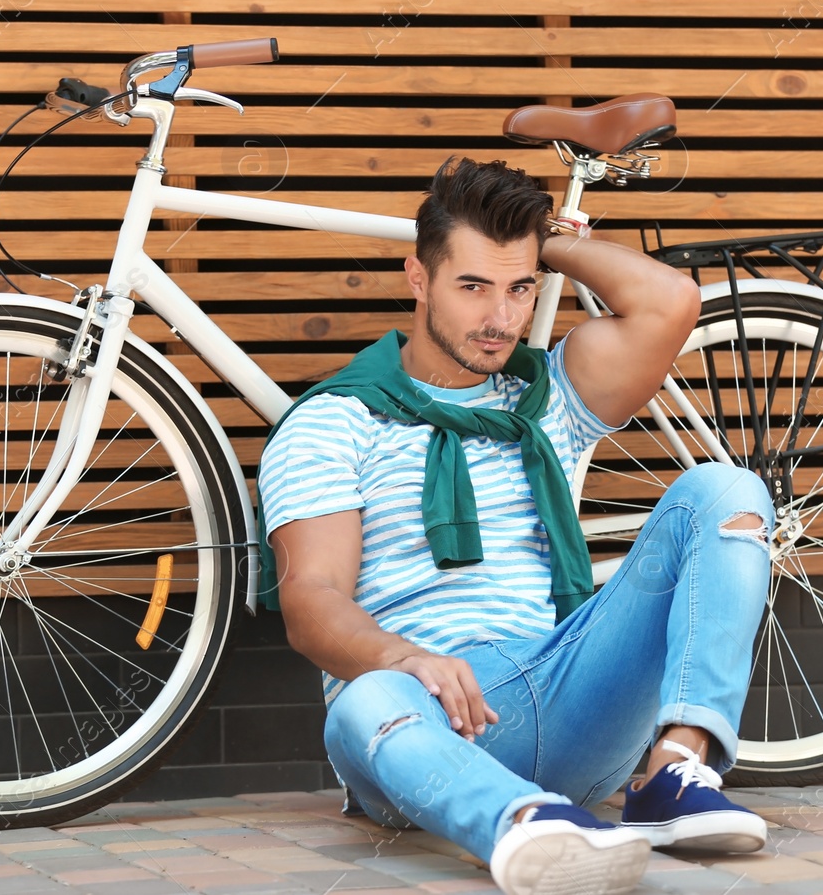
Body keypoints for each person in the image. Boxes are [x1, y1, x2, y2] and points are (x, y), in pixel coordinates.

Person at [257, 157, 774, 895]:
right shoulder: (335, 421)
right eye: (472, 286)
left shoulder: (546, 397)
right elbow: (311, 599)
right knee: (363, 694)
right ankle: (520, 824)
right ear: (419, 278)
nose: (500, 317)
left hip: (568, 687)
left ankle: (676, 771)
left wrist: (545, 238)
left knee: (727, 489)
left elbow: (668, 300)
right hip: (426, 717)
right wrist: (404, 658)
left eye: (520, 288)